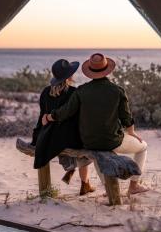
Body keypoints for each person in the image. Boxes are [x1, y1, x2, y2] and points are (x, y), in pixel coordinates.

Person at [43, 52, 149, 195]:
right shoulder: (117, 90)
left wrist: (49, 117)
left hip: (89, 142)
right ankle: (134, 186)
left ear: (90, 72)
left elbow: (65, 112)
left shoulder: (81, 91)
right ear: (107, 70)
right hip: (112, 141)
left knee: (98, 151)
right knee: (143, 147)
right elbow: (126, 117)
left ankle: (108, 187)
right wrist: (132, 132)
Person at [31, 59, 94, 195]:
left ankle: (73, 170)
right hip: (68, 137)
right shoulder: (74, 92)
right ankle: (84, 183)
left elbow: (41, 117)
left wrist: (36, 137)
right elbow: (80, 118)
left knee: (77, 144)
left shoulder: (46, 92)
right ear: (69, 76)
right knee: (87, 149)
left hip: (49, 136)